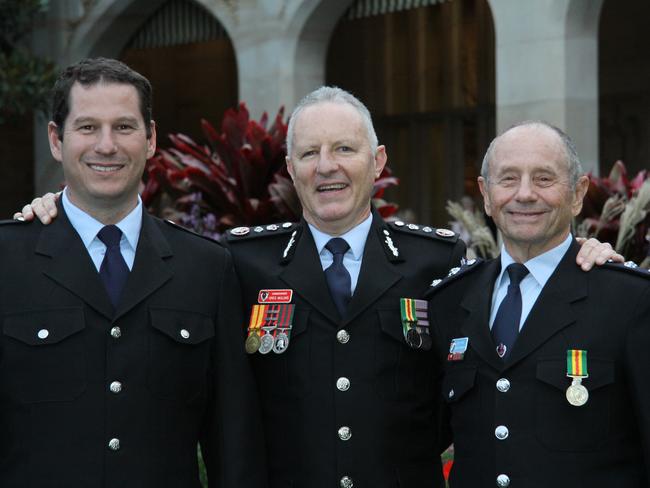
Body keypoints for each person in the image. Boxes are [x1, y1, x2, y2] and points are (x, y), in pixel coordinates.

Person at [18, 89, 621, 488]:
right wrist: (59, 212)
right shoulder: (240, 262)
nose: (326, 165)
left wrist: (584, 258)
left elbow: (477, 375)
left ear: (377, 160)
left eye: (344, 149)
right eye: (309, 152)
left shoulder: (436, 260)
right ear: (290, 168)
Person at [0, 58, 267, 488]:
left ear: (150, 139)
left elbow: (233, 444)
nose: (106, 145)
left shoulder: (207, 268)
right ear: (56, 139)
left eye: (124, 127)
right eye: (87, 127)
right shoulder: (7, 260)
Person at [427, 121, 650, 488]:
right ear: (485, 193)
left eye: (544, 179)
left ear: (578, 193)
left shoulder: (630, 301)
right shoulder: (450, 302)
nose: (525, 194)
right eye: (508, 179)